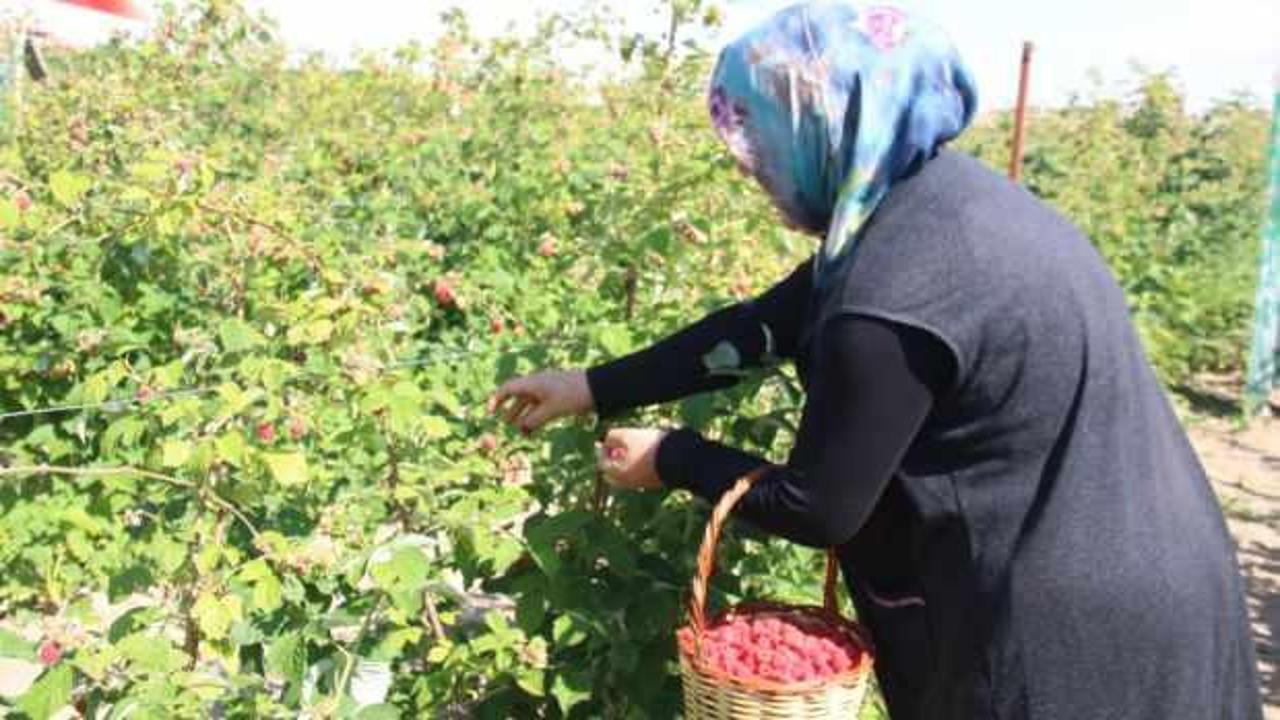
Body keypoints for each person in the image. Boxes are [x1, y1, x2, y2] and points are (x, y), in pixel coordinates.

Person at [488, 2, 1264, 718]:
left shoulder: (891, 288)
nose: (748, 167)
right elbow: (761, 326)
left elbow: (820, 505)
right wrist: (590, 387)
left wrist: (674, 457)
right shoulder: (934, 204)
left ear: (826, 125)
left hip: (1067, 638)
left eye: (758, 139)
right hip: (1156, 567)